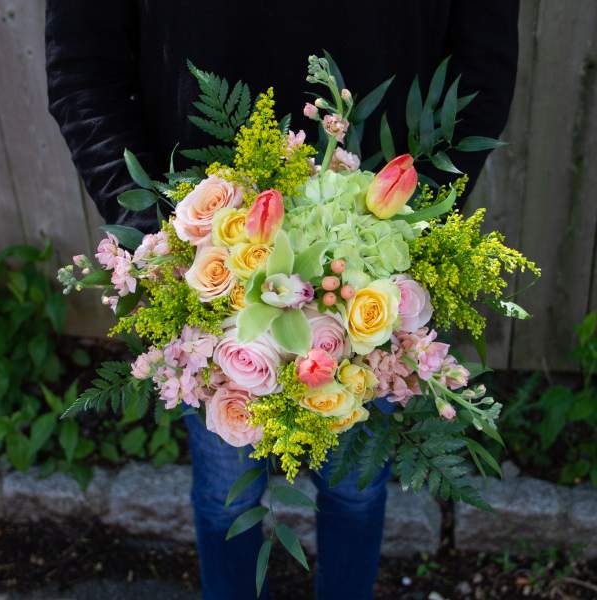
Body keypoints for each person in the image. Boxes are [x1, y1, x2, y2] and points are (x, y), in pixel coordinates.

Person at [45, 2, 519, 598]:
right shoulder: (198, 259)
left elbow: (483, 64)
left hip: (368, 265)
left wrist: (406, 222)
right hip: (210, 264)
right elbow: (83, 67)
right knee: (227, 496)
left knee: (354, 491)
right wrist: (164, 238)